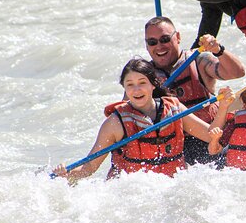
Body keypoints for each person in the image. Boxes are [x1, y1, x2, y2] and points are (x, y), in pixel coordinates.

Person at [52, 58, 212, 182]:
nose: (136, 90)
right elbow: (89, 167)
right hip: (131, 192)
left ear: (153, 85)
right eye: (130, 85)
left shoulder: (175, 110)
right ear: (125, 88)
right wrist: (66, 173)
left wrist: (224, 106)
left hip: (171, 185)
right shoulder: (114, 123)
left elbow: (211, 137)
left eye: (142, 83)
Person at [144, 16, 245, 165]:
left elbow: (237, 72)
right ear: (147, 46)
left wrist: (218, 50)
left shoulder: (198, 60)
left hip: (211, 138)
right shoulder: (143, 75)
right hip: (172, 147)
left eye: (165, 39)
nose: (159, 46)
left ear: (177, 37)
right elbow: (127, 112)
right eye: (152, 42)